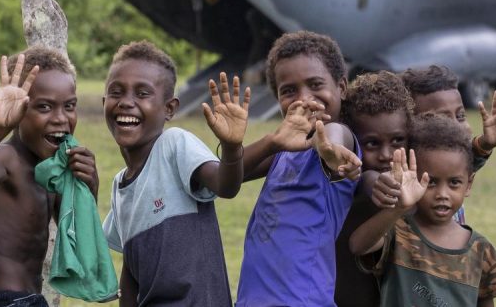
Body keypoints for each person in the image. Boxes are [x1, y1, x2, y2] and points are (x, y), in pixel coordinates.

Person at [101, 40, 249, 307]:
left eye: (142, 93)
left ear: (169, 108)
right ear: (104, 102)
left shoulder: (174, 145)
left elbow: (226, 186)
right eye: (116, 92)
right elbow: (131, 269)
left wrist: (231, 146)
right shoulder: (119, 186)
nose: (126, 102)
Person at [0, 46, 99, 307]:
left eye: (69, 106)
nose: (60, 118)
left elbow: (76, 239)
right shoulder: (6, 159)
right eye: (44, 107)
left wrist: (89, 187)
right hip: (1, 300)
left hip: (32, 299)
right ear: (18, 114)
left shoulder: (53, 169)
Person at [235, 31, 362, 307]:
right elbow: (228, 176)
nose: (304, 99)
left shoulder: (337, 132)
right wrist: (271, 142)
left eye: (315, 84)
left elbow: (334, 143)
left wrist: (329, 151)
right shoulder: (283, 151)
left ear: (341, 87)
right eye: (289, 91)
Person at [349, 114, 496, 307]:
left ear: (468, 185)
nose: (442, 194)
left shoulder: (482, 250)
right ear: (413, 177)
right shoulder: (398, 233)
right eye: (431, 182)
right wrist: (399, 208)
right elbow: (357, 245)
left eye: (454, 183)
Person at [389, 65, 496, 223]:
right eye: (441, 118)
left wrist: (485, 144)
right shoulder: (400, 182)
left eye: (460, 115)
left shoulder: (449, 163)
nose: (457, 126)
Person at [335, 71, 414, 307]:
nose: (386, 155)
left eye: (398, 140)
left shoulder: (415, 182)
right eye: (372, 143)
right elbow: (365, 181)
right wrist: (371, 181)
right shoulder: (343, 181)